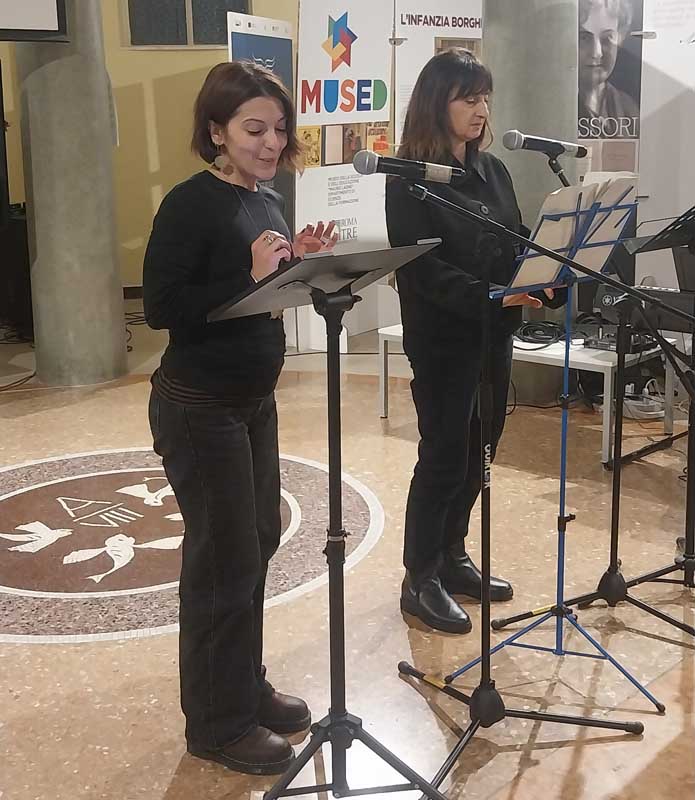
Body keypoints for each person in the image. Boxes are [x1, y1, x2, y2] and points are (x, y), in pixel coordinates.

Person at [143, 61, 337, 776]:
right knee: (222, 559)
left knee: (253, 545)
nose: (271, 142)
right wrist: (248, 275)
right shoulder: (190, 204)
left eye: (279, 128)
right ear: (216, 131)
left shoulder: (267, 199)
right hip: (201, 408)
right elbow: (162, 307)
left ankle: (242, 683)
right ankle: (216, 723)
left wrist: (296, 264)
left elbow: (259, 296)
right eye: (254, 129)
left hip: (252, 402)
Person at [386, 49, 564, 635]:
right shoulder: (409, 178)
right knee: (443, 453)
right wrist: (494, 295)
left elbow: (513, 240)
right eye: (468, 98)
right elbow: (422, 270)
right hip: (443, 337)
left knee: (481, 449)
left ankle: (453, 555)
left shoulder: (493, 171)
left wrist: (541, 276)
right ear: (436, 104)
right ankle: (420, 577)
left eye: (484, 97)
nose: (481, 109)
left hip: (493, 334)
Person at [578, 0, 639, 136]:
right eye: (584, 38)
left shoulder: (629, 109)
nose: (597, 53)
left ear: (620, 38)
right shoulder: (553, 106)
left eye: (607, 38)